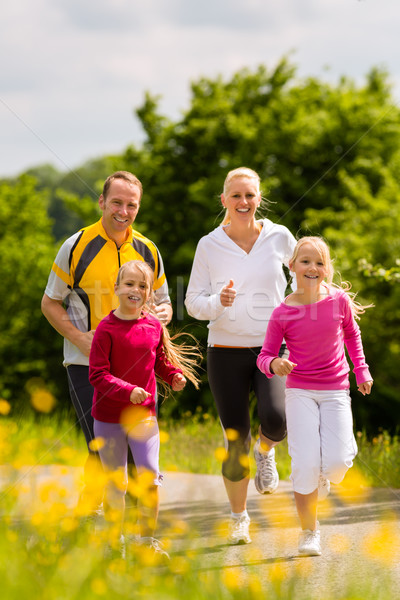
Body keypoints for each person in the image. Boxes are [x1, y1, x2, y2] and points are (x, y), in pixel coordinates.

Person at [41, 171, 172, 513]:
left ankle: (115, 532)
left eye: (131, 205)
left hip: (136, 367)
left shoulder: (148, 249)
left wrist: (162, 315)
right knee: (102, 446)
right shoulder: (76, 246)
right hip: (87, 364)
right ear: (101, 202)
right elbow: (49, 303)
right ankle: (98, 525)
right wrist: (80, 338)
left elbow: (164, 302)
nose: (123, 211)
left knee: (130, 451)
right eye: (116, 202)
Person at [185, 167, 297, 545]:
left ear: (259, 198)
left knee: (277, 419)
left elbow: (307, 270)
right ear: (224, 200)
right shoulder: (209, 245)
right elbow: (192, 302)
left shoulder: (279, 236)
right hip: (226, 351)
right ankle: (239, 517)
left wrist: (306, 306)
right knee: (236, 440)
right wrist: (218, 302)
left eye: (250, 195)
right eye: (236, 195)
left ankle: (266, 453)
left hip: (273, 346)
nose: (244, 202)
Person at [257, 236, 373, 557]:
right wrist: (275, 363)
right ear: (291, 266)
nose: (312, 267)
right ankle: (310, 532)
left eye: (320, 262)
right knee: (304, 463)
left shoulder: (338, 301)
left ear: (327, 270)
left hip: (336, 389)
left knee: (336, 464)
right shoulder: (282, 312)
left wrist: (361, 370)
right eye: (305, 261)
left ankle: (326, 473)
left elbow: (352, 334)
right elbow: (264, 356)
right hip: (299, 392)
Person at [89, 260, 200, 558]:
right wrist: (129, 391)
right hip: (110, 418)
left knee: (149, 479)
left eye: (142, 286)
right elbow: (97, 375)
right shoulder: (106, 329)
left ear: (149, 294)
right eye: (129, 284)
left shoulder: (152, 326)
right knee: (118, 483)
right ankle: (115, 544)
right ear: (116, 288)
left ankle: (145, 542)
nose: (135, 290)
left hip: (145, 416)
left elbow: (158, 360)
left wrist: (173, 375)